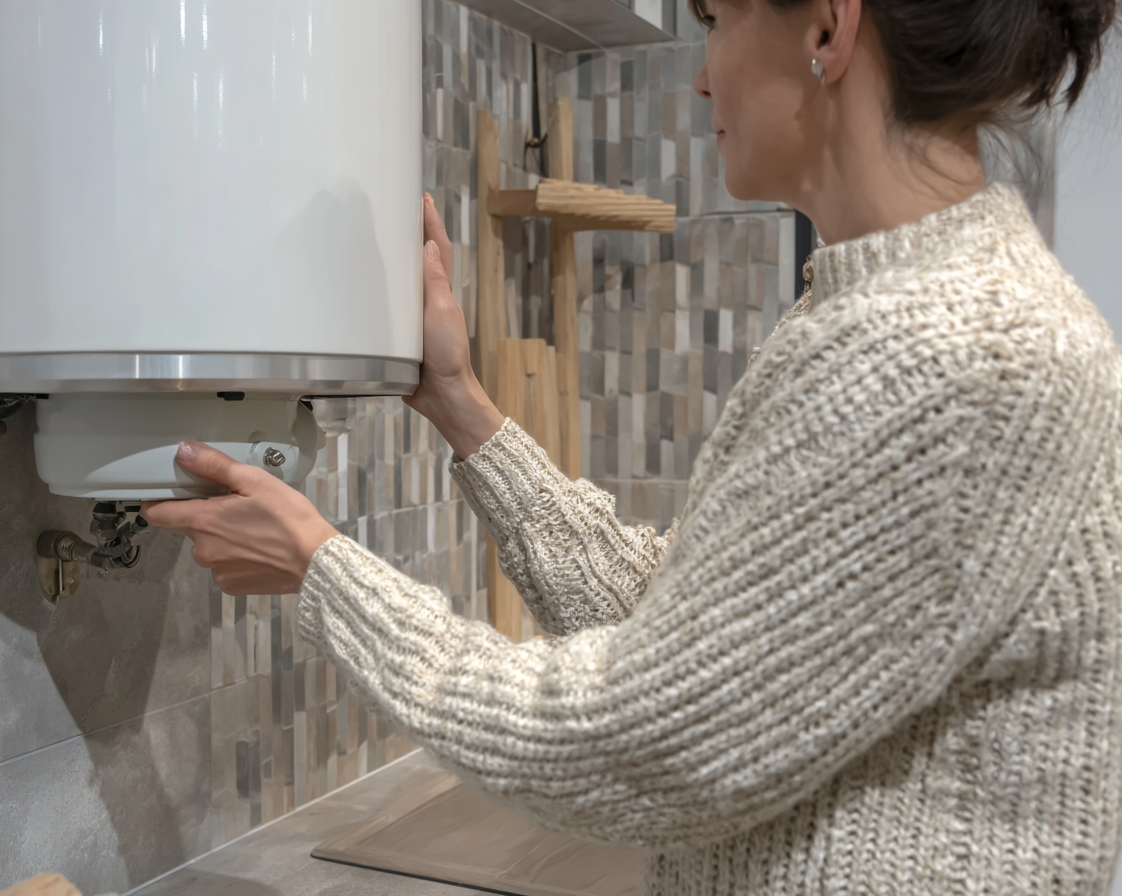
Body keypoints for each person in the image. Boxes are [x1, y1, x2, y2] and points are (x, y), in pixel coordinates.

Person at [143, 0, 1122, 891]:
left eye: (716, 18)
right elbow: (701, 632)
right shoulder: (895, 317)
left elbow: (641, 741)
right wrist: (460, 405)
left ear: (826, 27)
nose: (702, 75)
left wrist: (327, 577)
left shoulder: (944, 356)